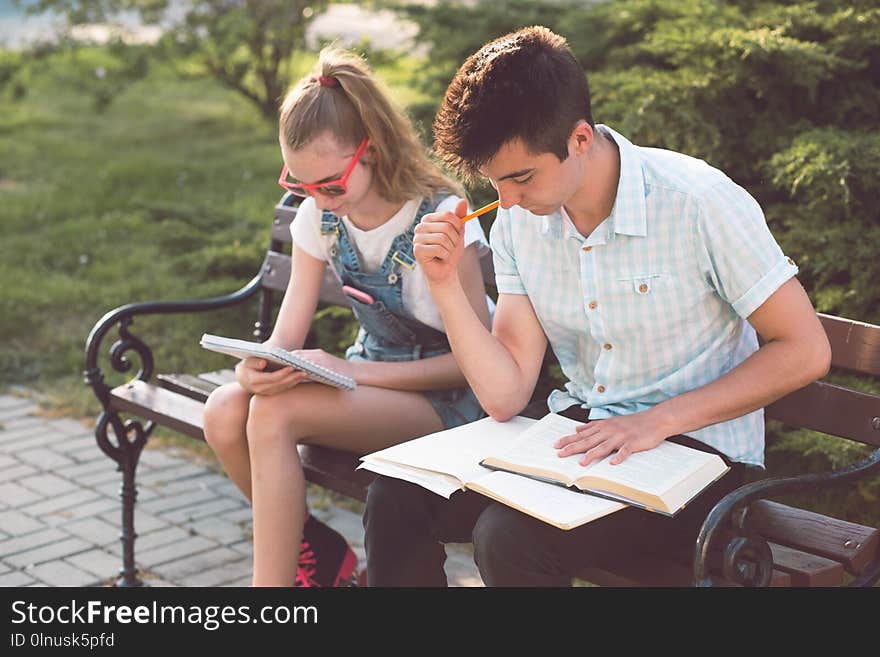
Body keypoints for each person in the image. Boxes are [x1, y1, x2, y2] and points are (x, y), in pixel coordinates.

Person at [362, 26, 832, 586]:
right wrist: (444, 286)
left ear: (580, 140)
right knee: (394, 497)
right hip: (583, 441)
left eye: (520, 177)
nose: (505, 201)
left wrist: (658, 420)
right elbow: (505, 393)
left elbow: (805, 350)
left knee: (506, 537)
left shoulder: (697, 201)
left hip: (703, 464)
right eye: (493, 182)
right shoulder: (520, 217)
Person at [203, 47, 491, 587]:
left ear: (374, 149)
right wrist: (256, 370)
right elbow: (285, 336)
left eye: (330, 184)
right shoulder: (321, 218)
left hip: (451, 404)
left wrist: (351, 371)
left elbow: (473, 368)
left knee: (272, 417)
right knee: (225, 409)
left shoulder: (438, 218)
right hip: (369, 385)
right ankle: (315, 548)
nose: (318, 199)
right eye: (301, 186)